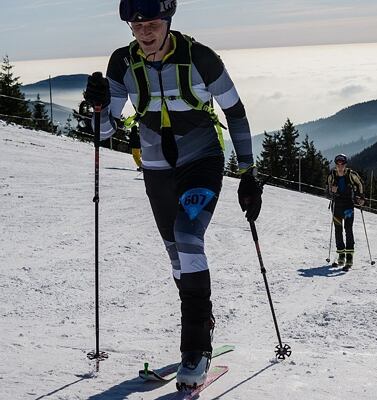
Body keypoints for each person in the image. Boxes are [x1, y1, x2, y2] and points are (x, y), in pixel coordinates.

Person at [83, 0, 262, 388]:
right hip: (156, 167)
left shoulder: (202, 58)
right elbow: (104, 132)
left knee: (187, 236)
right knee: (175, 253)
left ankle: (195, 347)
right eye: (135, 24)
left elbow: (236, 111)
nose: (144, 31)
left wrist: (247, 173)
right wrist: (96, 107)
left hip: (202, 159)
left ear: (168, 20)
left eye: (151, 23)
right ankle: (204, 318)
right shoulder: (122, 64)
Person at [326, 154, 365, 271]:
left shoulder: (351, 174)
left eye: (342, 163)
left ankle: (349, 258)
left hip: (348, 206)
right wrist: (331, 192)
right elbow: (327, 190)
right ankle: (341, 256)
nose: (340, 166)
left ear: (345, 164)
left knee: (348, 230)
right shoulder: (332, 175)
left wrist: (361, 197)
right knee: (338, 231)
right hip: (336, 206)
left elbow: (360, 184)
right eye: (338, 163)